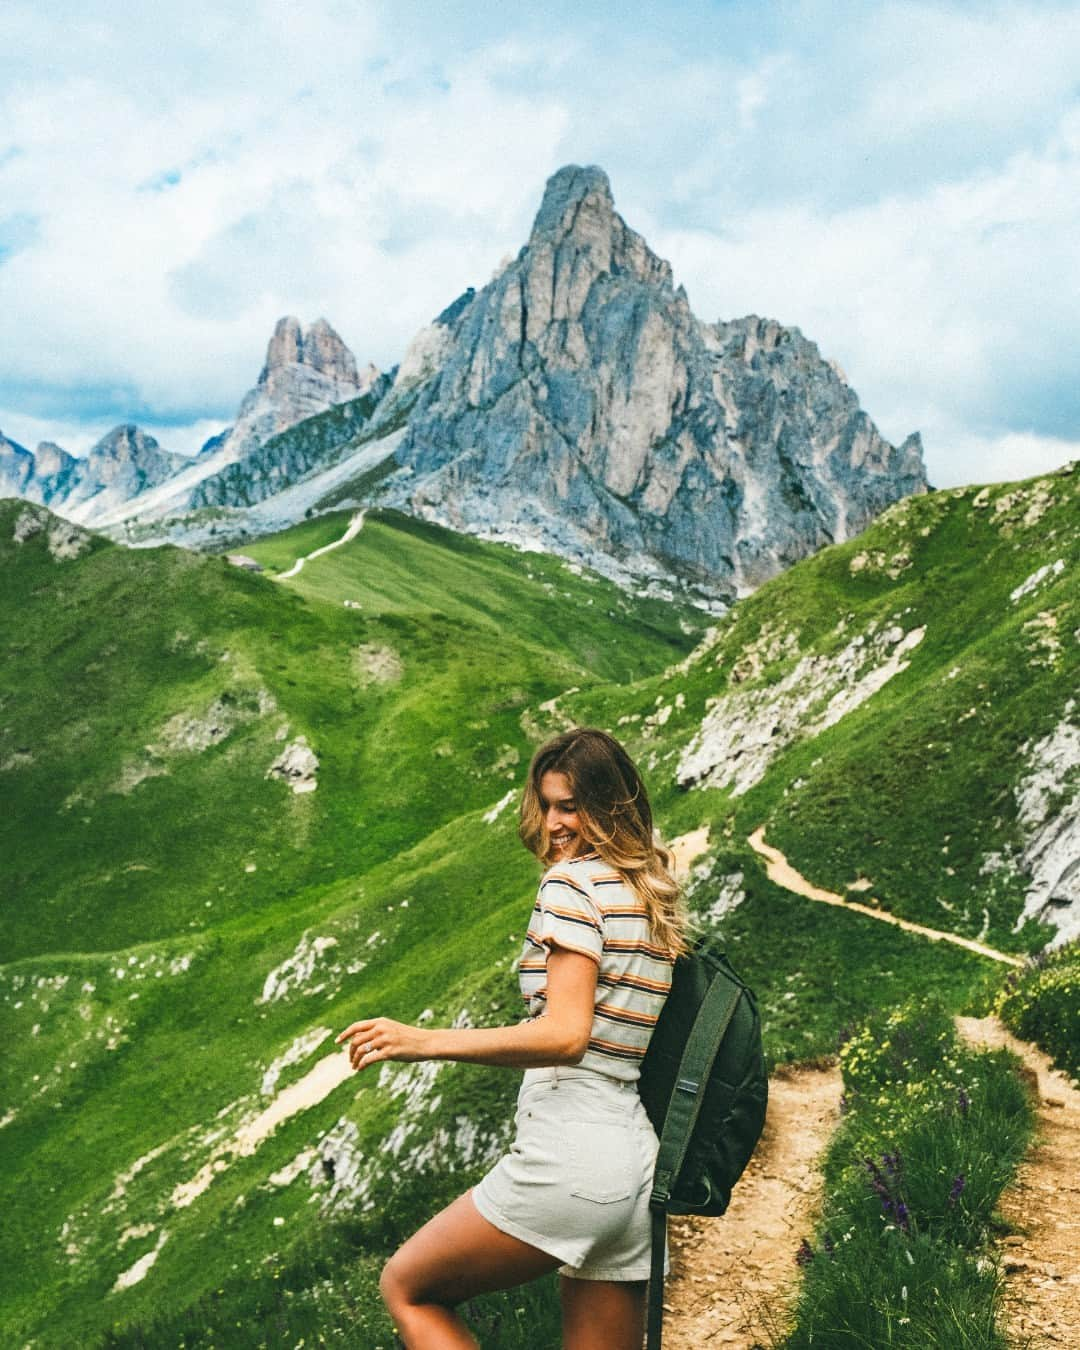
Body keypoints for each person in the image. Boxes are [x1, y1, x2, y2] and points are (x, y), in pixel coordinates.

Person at [335, 726, 692, 1348]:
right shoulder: (647, 892)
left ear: (609, 806)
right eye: (548, 804)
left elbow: (564, 1036)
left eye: (571, 806)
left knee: (408, 1287)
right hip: (635, 1167)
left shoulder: (572, 887)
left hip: (572, 1155)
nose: (554, 822)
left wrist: (420, 1041)